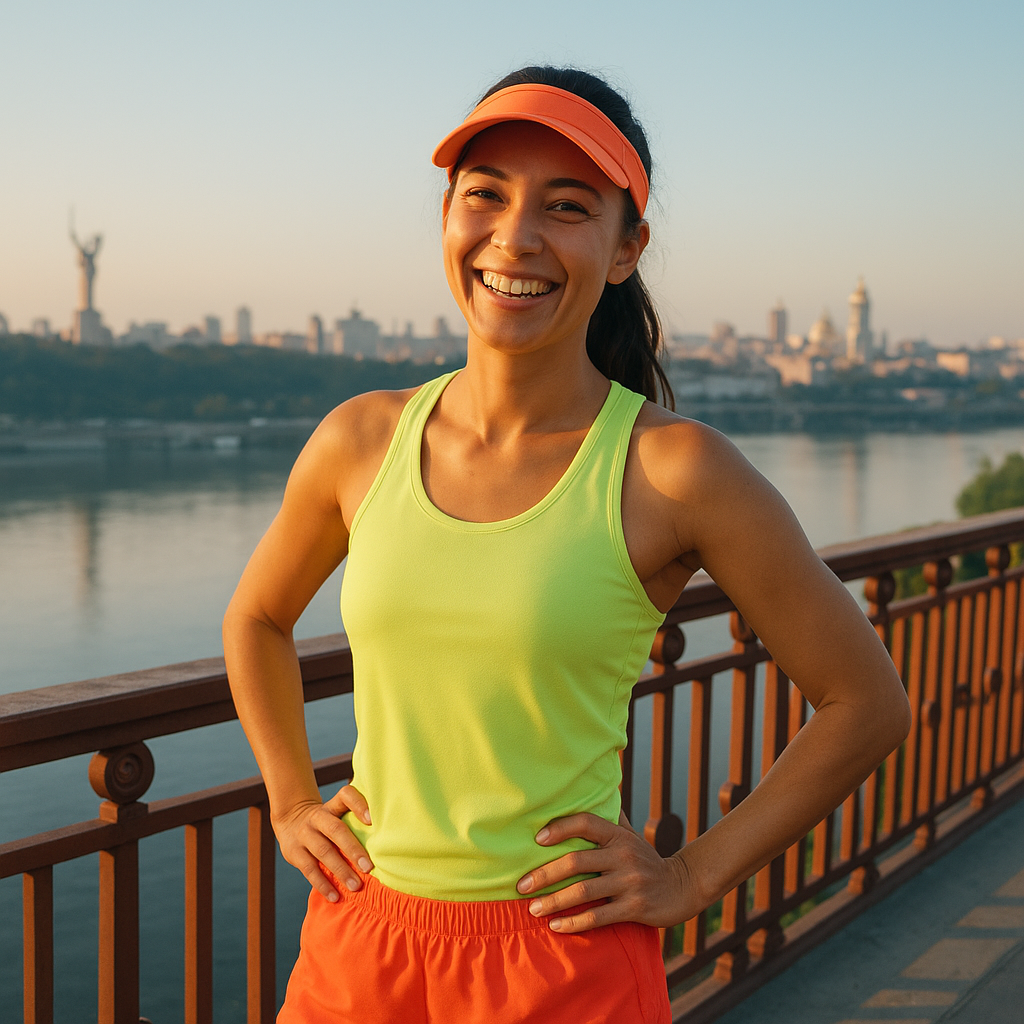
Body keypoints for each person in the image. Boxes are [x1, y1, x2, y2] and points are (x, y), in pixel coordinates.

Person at [223, 66, 910, 1024]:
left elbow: (866, 701)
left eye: (567, 206)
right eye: (486, 194)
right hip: (359, 943)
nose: (516, 237)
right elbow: (257, 617)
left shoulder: (675, 471)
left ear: (627, 247)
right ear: (450, 218)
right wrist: (292, 799)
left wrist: (691, 876)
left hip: (558, 959)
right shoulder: (360, 440)